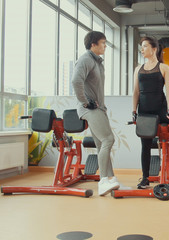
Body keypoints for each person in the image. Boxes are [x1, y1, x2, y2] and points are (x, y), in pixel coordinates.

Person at [132, 36, 169, 189]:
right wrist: (133, 110)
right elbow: (136, 92)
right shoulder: (138, 68)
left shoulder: (164, 68)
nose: (142, 49)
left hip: (160, 108)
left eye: (145, 46)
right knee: (145, 144)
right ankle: (145, 178)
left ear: (154, 49)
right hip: (144, 110)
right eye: (142, 47)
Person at [72, 31, 120, 196]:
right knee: (108, 139)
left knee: (101, 144)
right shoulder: (86, 59)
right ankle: (103, 181)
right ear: (93, 44)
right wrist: (85, 102)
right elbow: (75, 81)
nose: (105, 46)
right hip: (89, 109)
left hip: (98, 108)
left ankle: (111, 178)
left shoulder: (97, 62)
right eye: (103, 43)